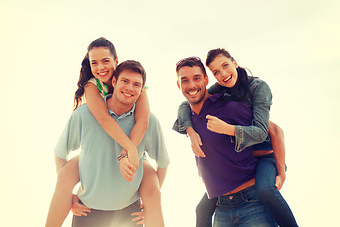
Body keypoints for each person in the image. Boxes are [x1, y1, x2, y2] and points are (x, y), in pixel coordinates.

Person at [46, 38, 167, 227]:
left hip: (131, 182)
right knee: (65, 174)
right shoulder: (92, 87)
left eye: (105, 61)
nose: (100, 67)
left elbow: (143, 121)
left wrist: (129, 152)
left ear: (116, 61)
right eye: (94, 62)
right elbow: (103, 119)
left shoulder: (136, 85)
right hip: (98, 164)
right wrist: (69, 197)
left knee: (150, 177)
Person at [174, 50, 298, 227]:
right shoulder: (218, 92)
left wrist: (281, 171)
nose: (223, 74)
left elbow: (271, 131)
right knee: (201, 209)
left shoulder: (255, 89)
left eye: (225, 66)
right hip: (225, 200)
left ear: (235, 63)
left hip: (266, 158)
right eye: (216, 71)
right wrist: (190, 131)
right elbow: (186, 104)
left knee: (266, 189)